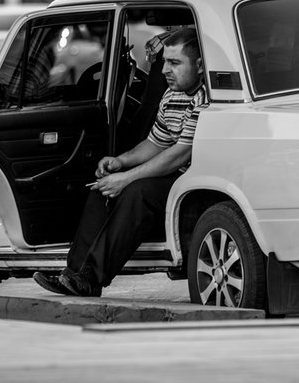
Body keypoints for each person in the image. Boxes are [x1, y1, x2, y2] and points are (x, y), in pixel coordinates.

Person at [33, 27, 208, 297]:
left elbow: (180, 155)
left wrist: (126, 179)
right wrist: (119, 162)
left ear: (199, 65)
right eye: (165, 63)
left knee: (137, 192)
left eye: (175, 63)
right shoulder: (171, 95)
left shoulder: (205, 98)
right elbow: (155, 144)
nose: (164, 71)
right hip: (170, 173)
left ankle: (92, 278)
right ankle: (74, 274)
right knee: (101, 187)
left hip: (193, 181)